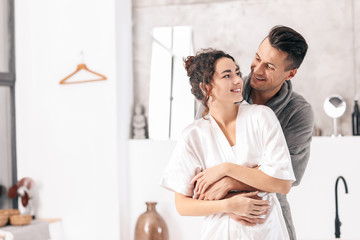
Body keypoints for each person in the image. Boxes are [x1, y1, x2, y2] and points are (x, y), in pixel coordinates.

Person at [161, 49, 296, 239]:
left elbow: (282, 183)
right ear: (207, 87)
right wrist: (228, 205)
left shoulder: (261, 117)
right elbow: (182, 205)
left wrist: (226, 170)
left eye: (237, 73)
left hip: (267, 232)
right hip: (218, 233)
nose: (238, 80)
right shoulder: (193, 135)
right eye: (227, 75)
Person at [195, 26, 314, 240]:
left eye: (269, 66)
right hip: (221, 215)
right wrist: (228, 204)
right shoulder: (219, 93)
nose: (257, 70)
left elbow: (288, 175)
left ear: (291, 73)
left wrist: (228, 180)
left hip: (270, 216)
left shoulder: (298, 111)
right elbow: (201, 162)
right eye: (257, 57)